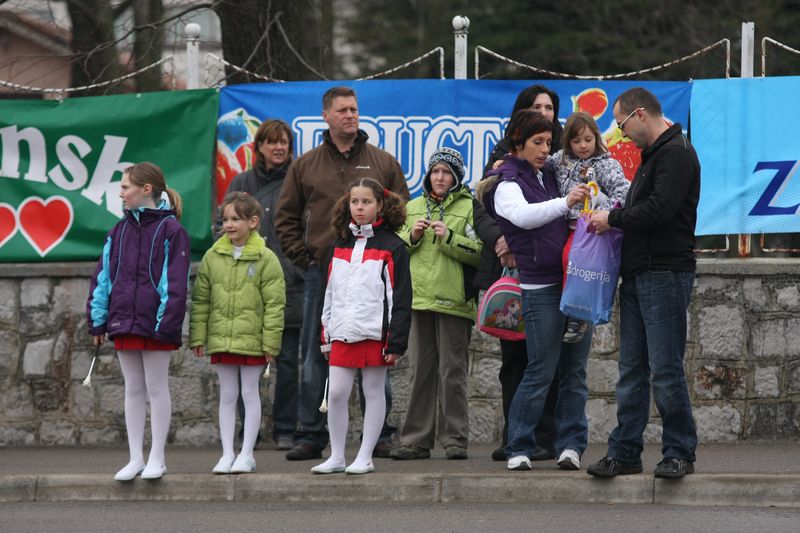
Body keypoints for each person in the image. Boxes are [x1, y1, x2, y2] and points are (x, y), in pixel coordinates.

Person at [276, 86, 410, 461]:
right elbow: (285, 217)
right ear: (326, 116)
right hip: (324, 272)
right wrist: (306, 258)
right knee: (315, 354)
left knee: (376, 352)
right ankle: (311, 433)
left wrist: (387, 249)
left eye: (354, 109)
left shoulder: (382, 162)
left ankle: (379, 435)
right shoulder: (305, 165)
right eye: (342, 110)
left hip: (373, 270)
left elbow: (402, 209)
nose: (350, 115)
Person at [586, 87, 700, 479]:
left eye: (621, 125)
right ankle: (625, 451)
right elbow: (645, 209)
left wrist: (613, 219)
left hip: (664, 273)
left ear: (639, 114)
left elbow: (660, 210)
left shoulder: (676, 153)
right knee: (632, 370)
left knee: (665, 370)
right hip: (638, 274)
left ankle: (679, 452)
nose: (620, 134)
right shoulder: (655, 155)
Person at [478, 109, 592, 471]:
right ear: (517, 143)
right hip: (539, 286)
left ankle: (570, 445)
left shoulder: (552, 172)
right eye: (537, 142)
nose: (545, 149)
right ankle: (519, 445)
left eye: (548, 142)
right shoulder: (506, 182)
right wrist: (566, 202)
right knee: (541, 369)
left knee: (574, 371)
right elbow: (524, 216)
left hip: (575, 282)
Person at [86, 162, 190, 481]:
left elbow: (175, 284)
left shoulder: (172, 230)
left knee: (156, 388)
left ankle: (157, 457)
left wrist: (165, 324)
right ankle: (135, 458)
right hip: (123, 320)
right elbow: (102, 277)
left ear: (146, 189)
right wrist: (98, 319)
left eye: (125, 187)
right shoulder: (118, 231)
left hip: (155, 324)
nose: (121, 193)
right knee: (132, 388)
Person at [479, 84, 564, 462]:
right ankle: (515, 436)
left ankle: (545, 436)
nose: (544, 113)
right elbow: (484, 205)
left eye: (550, 108)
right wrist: (503, 238)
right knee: (516, 359)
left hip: (549, 272)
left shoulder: (556, 162)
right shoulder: (503, 161)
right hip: (513, 272)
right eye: (537, 107)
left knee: (548, 361)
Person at [311, 178, 411, 475]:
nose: (359, 207)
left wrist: (395, 341)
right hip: (342, 332)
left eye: (366, 202)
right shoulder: (338, 245)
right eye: (355, 202)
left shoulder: (394, 247)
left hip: (375, 334)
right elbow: (328, 293)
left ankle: (365, 456)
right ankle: (337, 456)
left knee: (373, 391)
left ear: (380, 205)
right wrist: (326, 335)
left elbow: (400, 298)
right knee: (336, 393)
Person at [391, 148, 483, 461]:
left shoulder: (469, 207)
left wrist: (450, 238)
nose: (440, 177)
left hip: (454, 301)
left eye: (446, 172)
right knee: (419, 372)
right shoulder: (413, 207)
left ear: (456, 177)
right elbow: (395, 250)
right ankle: (415, 441)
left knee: (451, 372)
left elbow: (481, 253)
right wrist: (413, 236)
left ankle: (455, 440)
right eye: (435, 171)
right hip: (418, 301)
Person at [190, 192, 286, 474]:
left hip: (253, 341)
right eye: (225, 219)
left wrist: (270, 343)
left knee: (250, 392)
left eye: (235, 219)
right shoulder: (212, 256)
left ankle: (247, 454)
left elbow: (275, 304)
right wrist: (198, 335)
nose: (229, 225)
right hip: (222, 339)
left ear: (253, 222)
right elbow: (201, 300)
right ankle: (226, 453)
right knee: (228, 394)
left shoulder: (266, 258)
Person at [225, 119, 302, 451]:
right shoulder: (242, 182)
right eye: (272, 142)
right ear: (259, 146)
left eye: (284, 142)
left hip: (289, 285)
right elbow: (223, 226)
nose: (279, 147)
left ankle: (285, 428)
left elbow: (308, 226)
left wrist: (295, 267)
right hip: (248, 286)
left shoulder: (299, 181)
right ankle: (249, 431)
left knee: (288, 362)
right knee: (247, 361)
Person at [552, 111, 629, 343]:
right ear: (567, 142)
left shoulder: (607, 164)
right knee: (567, 261)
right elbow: (537, 162)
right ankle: (570, 312)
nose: (583, 146)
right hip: (565, 227)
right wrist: (508, 161)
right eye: (576, 141)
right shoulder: (560, 160)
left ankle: (578, 315)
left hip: (592, 229)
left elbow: (623, 192)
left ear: (597, 137)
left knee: (573, 260)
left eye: (588, 139)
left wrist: (603, 212)